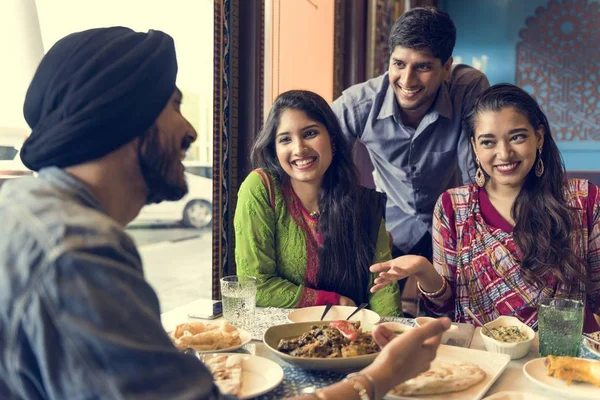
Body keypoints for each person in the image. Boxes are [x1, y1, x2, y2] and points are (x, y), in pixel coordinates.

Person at [0, 27, 451, 400]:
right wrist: (377, 379)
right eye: (174, 105)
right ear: (122, 117)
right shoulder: (76, 252)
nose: (191, 129)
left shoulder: (32, 215)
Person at [370, 84, 600, 333]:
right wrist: (424, 271)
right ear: (475, 148)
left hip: (562, 360)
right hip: (482, 360)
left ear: (539, 137)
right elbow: (445, 313)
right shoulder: (452, 208)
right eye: (488, 142)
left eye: (517, 137)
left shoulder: (582, 199)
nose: (504, 153)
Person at [332, 7, 489, 264]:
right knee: (376, 303)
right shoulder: (358, 103)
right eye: (399, 64)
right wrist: (357, 226)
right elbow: (324, 166)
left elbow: (476, 171)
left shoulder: (467, 89)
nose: (407, 80)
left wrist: (473, 241)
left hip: (453, 225)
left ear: (447, 67)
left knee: (454, 301)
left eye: (423, 67)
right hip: (388, 228)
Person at [235, 90, 402, 316]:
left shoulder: (365, 205)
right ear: (275, 149)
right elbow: (254, 285)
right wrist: (331, 301)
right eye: (285, 139)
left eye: (310, 133)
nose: (299, 149)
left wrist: (390, 336)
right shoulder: (262, 189)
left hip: (351, 342)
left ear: (332, 139)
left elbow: (382, 287)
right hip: (279, 339)